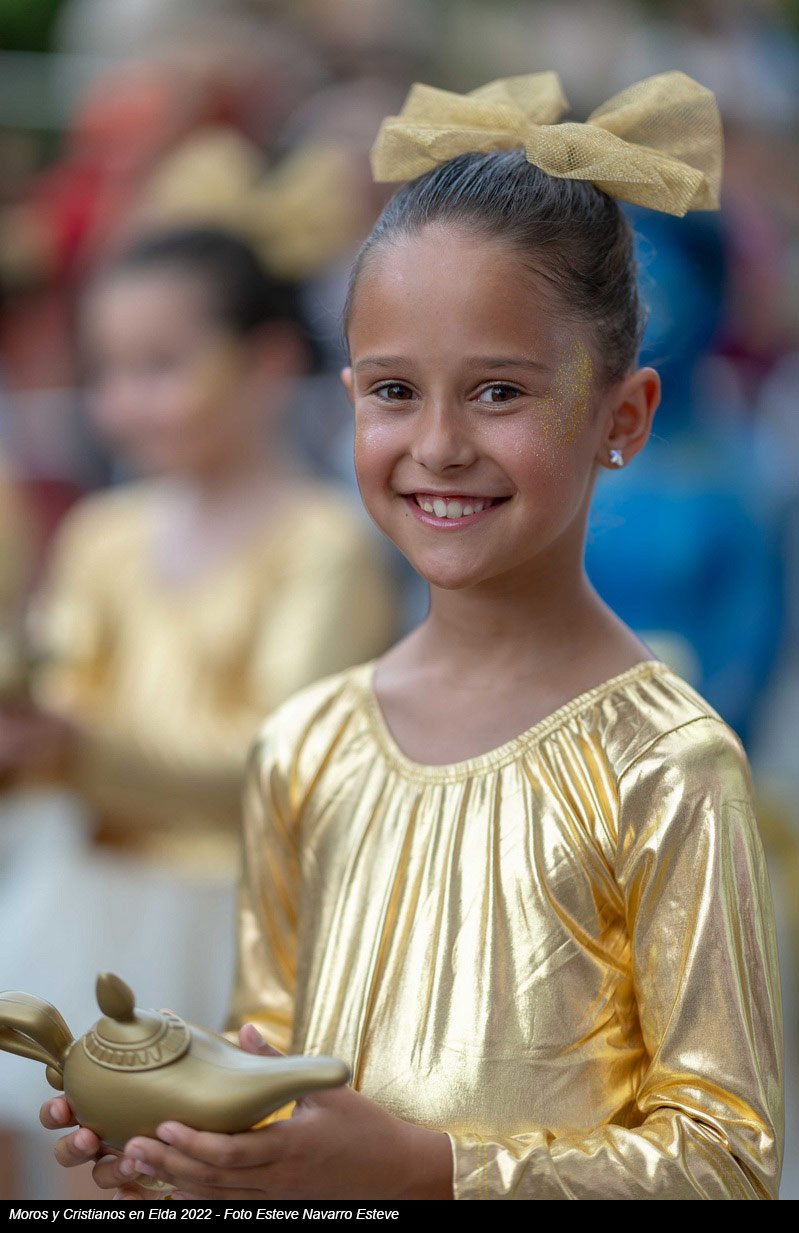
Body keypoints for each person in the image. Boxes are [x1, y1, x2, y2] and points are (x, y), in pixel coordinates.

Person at [40, 72, 783, 1201]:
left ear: (621, 416)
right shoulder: (306, 744)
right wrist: (191, 1142)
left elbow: (727, 1161)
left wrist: (425, 1169)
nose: (437, 444)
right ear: (346, 397)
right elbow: (273, 1066)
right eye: (393, 390)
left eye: (498, 393)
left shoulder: (668, 770)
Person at [1, 225, 396, 1198]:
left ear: (267, 361)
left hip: (239, 928)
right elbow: (59, 688)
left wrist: (74, 744)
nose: (122, 401)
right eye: (107, 371)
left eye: (160, 366)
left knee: (217, 1169)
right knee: (75, 1169)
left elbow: (275, 756)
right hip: (91, 905)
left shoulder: (322, 543)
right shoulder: (101, 533)